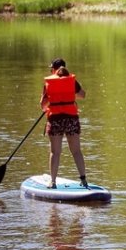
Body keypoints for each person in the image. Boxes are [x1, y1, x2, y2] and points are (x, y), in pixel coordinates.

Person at [39, 58, 88, 188]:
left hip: (55, 119)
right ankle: (83, 180)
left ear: (53, 70)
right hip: (71, 119)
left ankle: (53, 182)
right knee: (76, 151)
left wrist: (53, 101)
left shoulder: (49, 83)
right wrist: (69, 97)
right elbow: (82, 95)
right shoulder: (72, 81)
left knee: (55, 152)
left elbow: (43, 105)